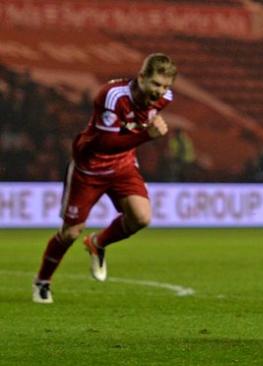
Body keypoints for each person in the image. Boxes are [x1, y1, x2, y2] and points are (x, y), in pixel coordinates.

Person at [32, 53, 177, 304]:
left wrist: (144, 134)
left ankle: (98, 243)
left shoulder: (164, 99)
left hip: (123, 166)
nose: (160, 91)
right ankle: (42, 282)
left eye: (165, 86)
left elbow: (130, 135)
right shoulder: (113, 96)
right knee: (69, 233)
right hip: (90, 168)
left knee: (141, 218)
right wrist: (147, 136)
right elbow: (105, 143)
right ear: (141, 77)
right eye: (155, 84)